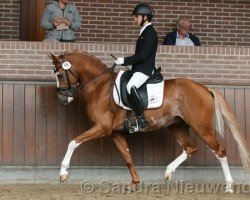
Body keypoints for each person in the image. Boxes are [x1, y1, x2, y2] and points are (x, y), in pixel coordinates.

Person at [115, 3, 158, 130]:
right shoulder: (144, 32)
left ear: (145, 17)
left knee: (130, 86)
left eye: (136, 16)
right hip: (139, 68)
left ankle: (141, 119)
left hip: (144, 70)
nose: (135, 19)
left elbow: (143, 56)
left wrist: (124, 60)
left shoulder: (150, 33)